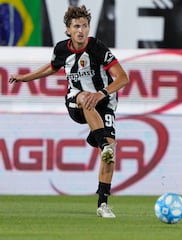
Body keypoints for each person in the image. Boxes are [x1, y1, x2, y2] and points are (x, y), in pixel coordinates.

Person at [9, 5, 129, 218]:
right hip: (77, 102)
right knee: (85, 98)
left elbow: (122, 78)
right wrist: (25, 78)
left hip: (104, 102)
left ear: (89, 28)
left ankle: (103, 204)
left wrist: (101, 92)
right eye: (76, 26)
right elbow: (51, 67)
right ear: (68, 30)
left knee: (110, 152)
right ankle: (100, 141)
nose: (81, 30)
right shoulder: (62, 49)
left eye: (84, 25)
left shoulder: (98, 48)